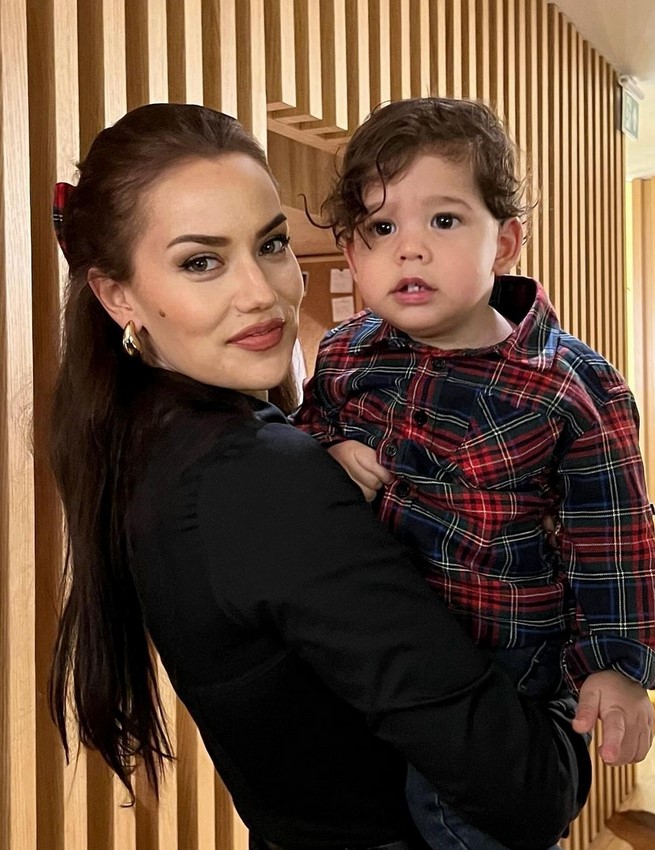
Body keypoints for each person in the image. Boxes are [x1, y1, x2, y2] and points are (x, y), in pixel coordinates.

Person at [49, 102, 590, 850]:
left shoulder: (146, 442)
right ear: (119, 296)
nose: (261, 292)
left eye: (271, 244)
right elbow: (525, 789)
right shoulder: (259, 476)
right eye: (201, 261)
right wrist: (570, 691)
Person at [293, 96, 655, 849]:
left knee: (466, 823)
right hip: (377, 648)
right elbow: (303, 436)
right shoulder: (345, 354)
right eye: (380, 228)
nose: (409, 250)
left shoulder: (570, 386)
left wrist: (617, 668)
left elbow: (611, 539)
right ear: (352, 254)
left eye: (444, 220)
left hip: (501, 663)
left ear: (505, 242)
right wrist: (326, 454)